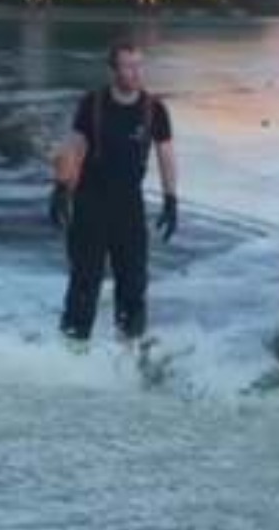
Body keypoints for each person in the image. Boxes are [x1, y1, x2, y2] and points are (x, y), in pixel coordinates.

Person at [49, 38, 178, 344]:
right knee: (84, 281)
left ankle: (129, 353)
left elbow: (166, 155)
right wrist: (60, 188)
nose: (135, 73)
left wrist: (170, 199)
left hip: (129, 206)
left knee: (133, 283)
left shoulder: (154, 109)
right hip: (91, 204)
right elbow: (74, 148)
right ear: (113, 70)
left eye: (138, 66)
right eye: (128, 66)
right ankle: (72, 350)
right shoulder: (92, 104)